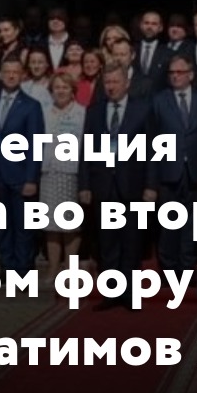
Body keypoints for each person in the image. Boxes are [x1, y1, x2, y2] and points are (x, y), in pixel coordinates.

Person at [79, 64, 153, 310]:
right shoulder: (95, 111)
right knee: (108, 241)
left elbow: (153, 152)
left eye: (115, 82)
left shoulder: (142, 110)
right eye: (107, 82)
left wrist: (150, 186)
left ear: (127, 83)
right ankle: (111, 293)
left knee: (131, 241)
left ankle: (130, 293)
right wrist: (85, 184)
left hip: (132, 185)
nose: (111, 87)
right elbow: (86, 150)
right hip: (103, 185)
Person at [147, 54, 197, 274]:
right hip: (168, 172)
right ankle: (168, 268)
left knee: (191, 224)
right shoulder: (159, 100)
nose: (175, 76)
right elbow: (151, 143)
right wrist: (152, 181)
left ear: (191, 75)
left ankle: (187, 267)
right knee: (169, 223)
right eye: (172, 73)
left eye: (180, 72)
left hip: (196, 172)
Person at [0, 59, 45, 277]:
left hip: (20, 175)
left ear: (22, 76)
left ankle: (22, 270)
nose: (11, 76)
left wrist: (31, 179)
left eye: (16, 72)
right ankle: (6, 267)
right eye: (7, 72)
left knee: (22, 227)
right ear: (0, 75)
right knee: (2, 226)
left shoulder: (31, 105)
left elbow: (36, 145)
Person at [39, 73, 86, 281]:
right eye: (57, 87)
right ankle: (53, 267)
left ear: (72, 91)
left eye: (65, 87)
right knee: (51, 225)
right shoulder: (44, 112)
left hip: (71, 174)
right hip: (48, 173)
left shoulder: (81, 113)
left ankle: (70, 268)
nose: (61, 91)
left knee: (70, 225)